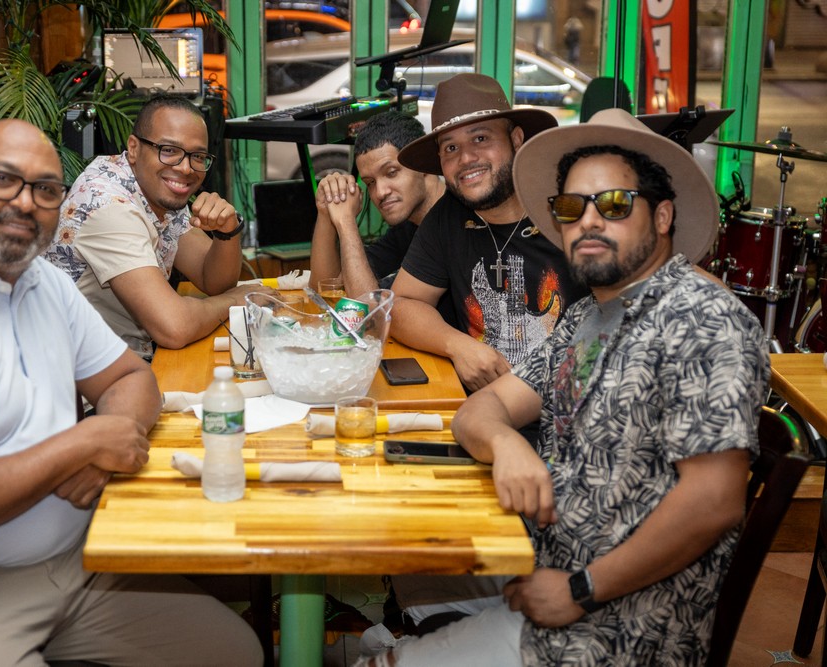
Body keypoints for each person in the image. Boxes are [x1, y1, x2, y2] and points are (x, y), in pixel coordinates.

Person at [0, 119, 262, 666]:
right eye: (2, 180)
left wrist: (108, 440)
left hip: (75, 564)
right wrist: (84, 445)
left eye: (46, 189)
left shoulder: (40, 282)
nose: (26, 202)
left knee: (233, 654)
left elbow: (130, 378)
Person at [363, 108, 769, 666]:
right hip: (547, 559)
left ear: (663, 215)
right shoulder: (587, 317)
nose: (589, 222)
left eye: (615, 204)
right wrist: (505, 443)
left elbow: (714, 501)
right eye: (572, 207)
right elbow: (481, 410)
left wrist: (580, 590)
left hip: (616, 629)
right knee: (408, 547)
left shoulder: (701, 317)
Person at [390, 73, 588, 392]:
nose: (466, 158)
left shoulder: (567, 209)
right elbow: (401, 304)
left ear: (517, 139)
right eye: (450, 147)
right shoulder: (449, 215)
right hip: (483, 405)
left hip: (568, 404)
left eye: (481, 139)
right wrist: (457, 345)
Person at [44, 94, 273, 360]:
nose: (186, 168)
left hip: (125, 360)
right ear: (134, 148)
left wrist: (227, 231)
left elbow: (214, 280)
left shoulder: (152, 189)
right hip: (84, 377)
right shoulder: (108, 206)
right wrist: (236, 300)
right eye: (169, 150)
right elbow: (174, 327)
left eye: (197, 156)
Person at [309, 111, 446, 298]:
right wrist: (326, 210)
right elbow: (326, 290)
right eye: (370, 182)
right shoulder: (408, 227)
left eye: (391, 172)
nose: (380, 192)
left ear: (421, 162)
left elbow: (367, 305)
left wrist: (346, 222)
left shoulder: (451, 223)